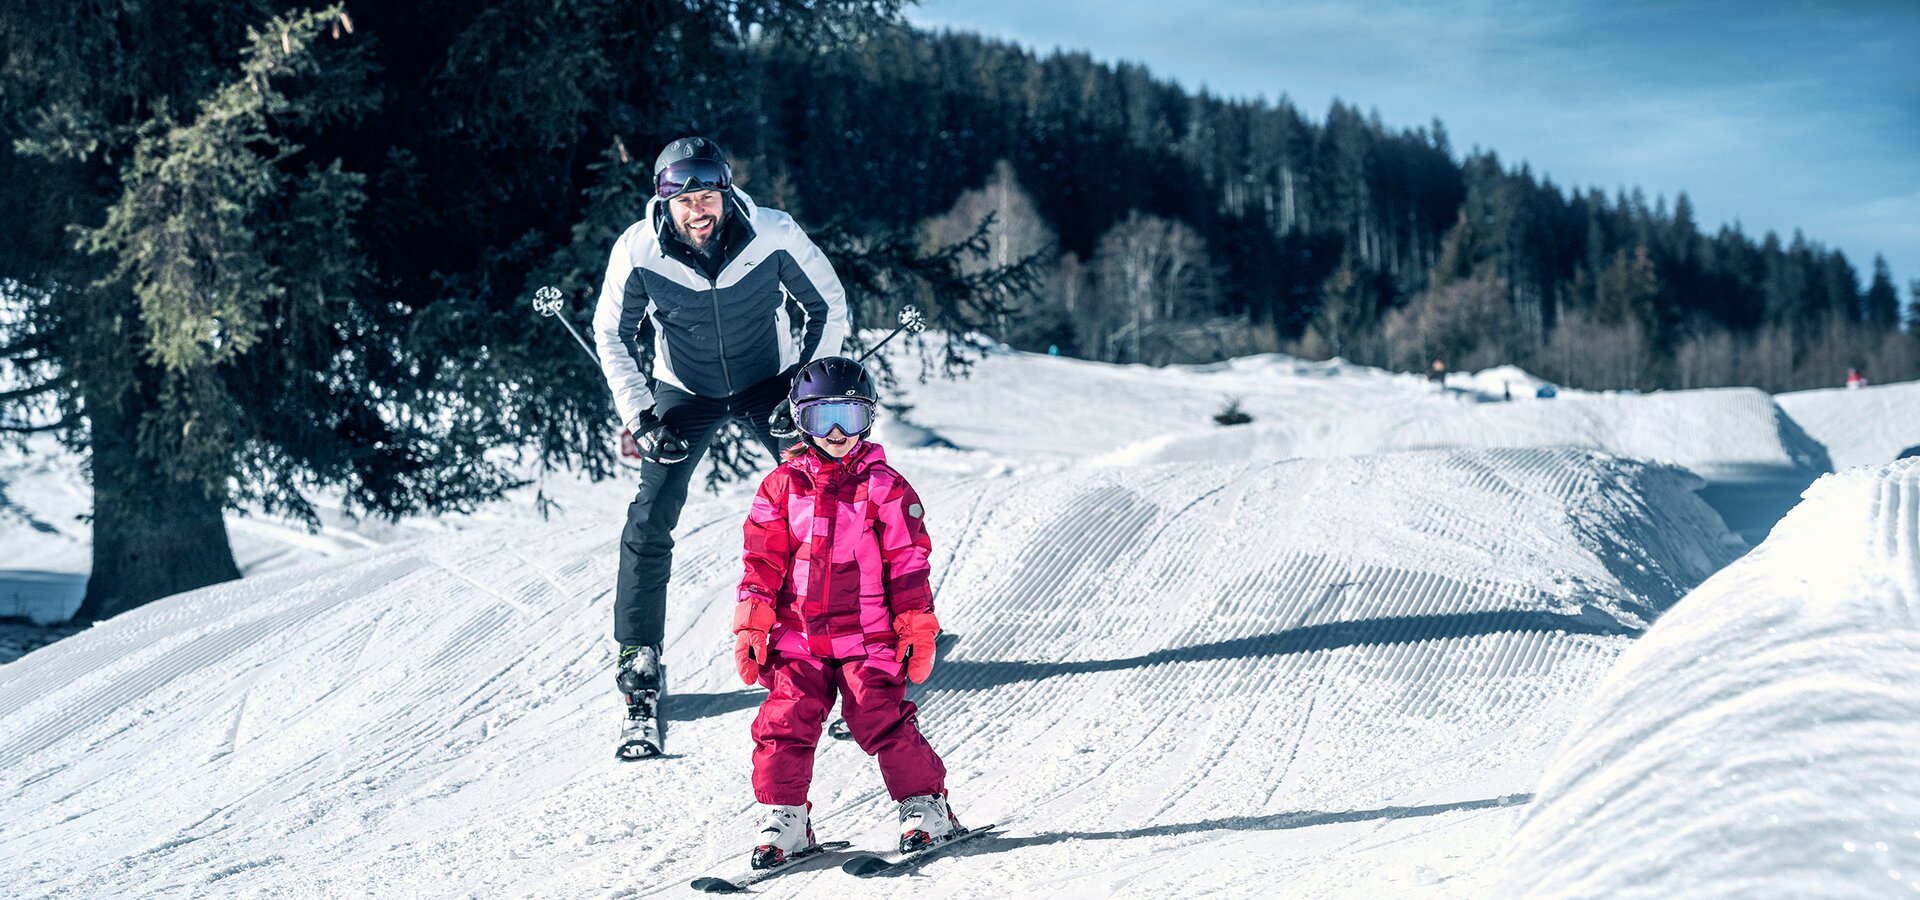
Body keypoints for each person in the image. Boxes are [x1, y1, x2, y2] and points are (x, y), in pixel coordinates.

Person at [592, 136, 850, 758]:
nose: (697, 211)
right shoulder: (639, 249)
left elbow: (826, 306)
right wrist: (642, 414)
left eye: (707, 196)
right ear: (664, 203)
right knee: (650, 516)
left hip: (773, 386)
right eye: (683, 201)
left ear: (726, 192)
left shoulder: (773, 234)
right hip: (685, 390)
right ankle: (639, 658)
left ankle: (861, 645)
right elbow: (612, 333)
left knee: (831, 505)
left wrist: (806, 397)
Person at [731, 356, 964, 867]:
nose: (836, 432)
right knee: (784, 721)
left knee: (880, 717)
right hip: (798, 639)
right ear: (799, 420)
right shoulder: (781, 487)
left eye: (850, 417)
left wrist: (916, 625)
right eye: (821, 418)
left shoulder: (886, 488)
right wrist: (754, 620)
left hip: (868, 638)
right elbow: (761, 561)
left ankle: (925, 804)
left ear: (870, 418)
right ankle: (786, 816)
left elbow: (908, 563)